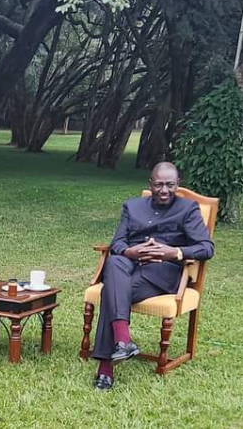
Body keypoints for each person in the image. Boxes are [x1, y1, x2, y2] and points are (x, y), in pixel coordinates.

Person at [92, 162, 214, 390]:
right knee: (116, 260)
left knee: (112, 291)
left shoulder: (188, 209)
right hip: (128, 266)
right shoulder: (132, 206)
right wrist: (130, 251)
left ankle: (105, 367)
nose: (164, 190)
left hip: (161, 273)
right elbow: (117, 243)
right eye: (159, 185)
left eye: (170, 185)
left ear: (178, 184)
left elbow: (206, 248)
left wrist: (173, 252)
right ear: (150, 184)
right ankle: (123, 341)